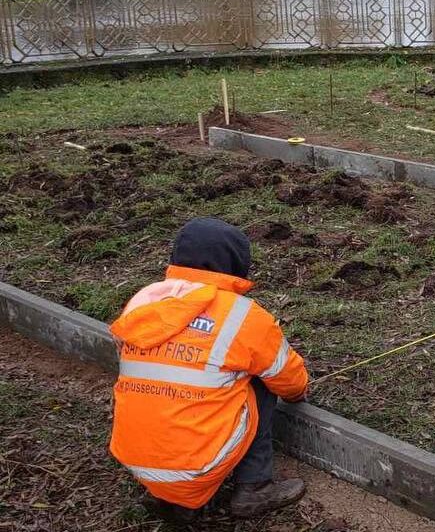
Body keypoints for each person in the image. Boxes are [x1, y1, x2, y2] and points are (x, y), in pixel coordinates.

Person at [109, 217, 309, 523]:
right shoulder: (243, 316)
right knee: (263, 381)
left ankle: (176, 498)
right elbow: (289, 379)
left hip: (135, 462)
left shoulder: (142, 302)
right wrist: (298, 395)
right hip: (196, 467)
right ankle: (254, 486)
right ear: (236, 265)